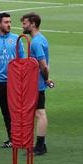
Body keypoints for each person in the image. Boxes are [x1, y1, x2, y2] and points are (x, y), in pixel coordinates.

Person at [0, 12, 25, 148]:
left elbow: (23, 61)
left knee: (17, 111)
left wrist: (21, 80)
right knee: (6, 112)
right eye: (6, 22)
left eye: (10, 22)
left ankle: (21, 138)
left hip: (15, 82)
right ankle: (12, 139)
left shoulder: (17, 39)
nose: (9, 24)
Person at [21, 12, 54, 155]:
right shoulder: (41, 38)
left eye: (25, 23)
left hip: (37, 83)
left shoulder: (35, 42)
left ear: (33, 24)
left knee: (40, 113)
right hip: (36, 82)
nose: (23, 25)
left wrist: (46, 79)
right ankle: (41, 145)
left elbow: (43, 65)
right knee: (38, 113)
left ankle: (40, 146)